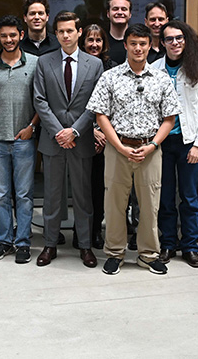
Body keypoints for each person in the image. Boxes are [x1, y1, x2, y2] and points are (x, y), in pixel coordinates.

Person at [87, 24, 179, 275]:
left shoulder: (161, 79)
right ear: (125, 45)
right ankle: (114, 253)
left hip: (150, 149)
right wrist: (119, 146)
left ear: (150, 46)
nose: (138, 48)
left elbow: (169, 118)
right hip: (117, 149)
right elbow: (101, 114)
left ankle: (148, 255)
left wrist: (152, 145)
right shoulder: (110, 77)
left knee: (150, 205)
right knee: (114, 204)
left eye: (143, 44)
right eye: (133, 43)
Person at [33, 11, 104, 268]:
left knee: (83, 197)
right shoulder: (44, 62)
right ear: (56, 34)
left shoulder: (94, 65)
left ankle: (85, 246)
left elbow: (96, 103)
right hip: (53, 140)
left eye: (70, 31)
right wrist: (58, 131)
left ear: (79, 32)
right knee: (52, 196)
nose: (65, 35)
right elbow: (40, 100)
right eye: (61, 31)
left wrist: (74, 131)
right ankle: (50, 245)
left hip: (81, 139)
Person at [150, 21, 198, 268]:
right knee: (165, 197)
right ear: (162, 43)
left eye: (179, 38)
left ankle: (189, 246)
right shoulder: (154, 69)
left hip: (189, 143)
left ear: (186, 40)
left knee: (189, 197)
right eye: (169, 39)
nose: (175, 43)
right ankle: (168, 243)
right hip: (162, 143)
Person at [0, 15, 39, 264]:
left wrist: (31, 127)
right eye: (3, 36)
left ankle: (23, 242)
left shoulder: (35, 63)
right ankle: (4, 241)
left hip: (24, 138)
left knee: (24, 194)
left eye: (13, 35)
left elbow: (41, 100)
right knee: (1, 195)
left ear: (21, 35)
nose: (8, 39)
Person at [81, 24, 116, 249]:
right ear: (83, 42)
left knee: (100, 188)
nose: (94, 44)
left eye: (98, 40)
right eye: (90, 40)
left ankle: (96, 231)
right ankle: (82, 231)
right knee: (82, 187)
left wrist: (104, 132)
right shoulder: (77, 66)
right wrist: (91, 130)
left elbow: (116, 105)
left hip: (108, 138)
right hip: (82, 134)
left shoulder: (113, 68)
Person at [106, 0, 132, 65]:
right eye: (115, 9)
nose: (120, 12)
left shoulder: (136, 41)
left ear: (130, 14)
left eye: (124, 9)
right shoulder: (101, 41)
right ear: (108, 14)